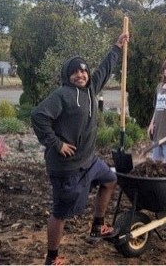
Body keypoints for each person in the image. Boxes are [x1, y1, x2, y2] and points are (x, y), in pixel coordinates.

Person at [31, 32, 129, 265]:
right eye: (75, 72)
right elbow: (38, 116)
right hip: (66, 167)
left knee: (110, 180)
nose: (81, 75)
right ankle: (52, 258)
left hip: (89, 161)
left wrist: (116, 48)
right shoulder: (62, 95)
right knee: (61, 212)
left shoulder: (91, 89)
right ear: (68, 75)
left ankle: (97, 226)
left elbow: (104, 70)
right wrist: (56, 144)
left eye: (83, 71)